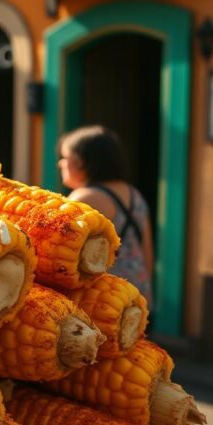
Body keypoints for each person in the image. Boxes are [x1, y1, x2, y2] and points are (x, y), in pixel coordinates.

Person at [58, 125, 154, 306]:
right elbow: (146, 251)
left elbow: (62, 253)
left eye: (65, 158)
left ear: (82, 162)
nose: (61, 164)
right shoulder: (134, 194)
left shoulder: (85, 197)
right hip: (139, 295)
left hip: (105, 301)